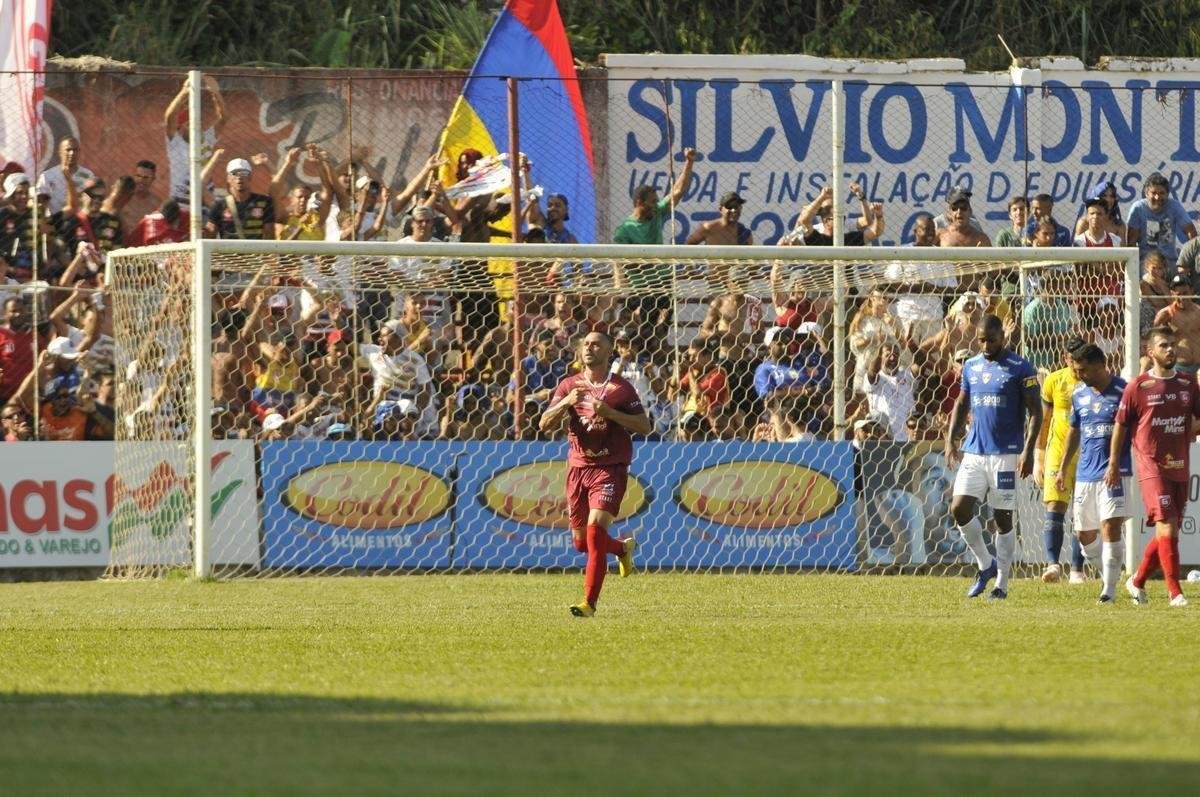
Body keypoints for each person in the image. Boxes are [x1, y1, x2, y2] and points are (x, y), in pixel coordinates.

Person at [539, 331, 650, 618]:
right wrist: (565, 404)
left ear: (609, 352)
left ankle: (589, 603)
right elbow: (543, 423)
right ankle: (622, 550)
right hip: (578, 468)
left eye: (596, 344)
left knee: (595, 529)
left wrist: (611, 413)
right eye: (585, 344)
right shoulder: (568, 385)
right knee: (581, 544)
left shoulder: (621, 389)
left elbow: (644, 426)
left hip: (610, 467)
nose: (589, 348)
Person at [944, 314, 1042, 600]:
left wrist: (1028, 450)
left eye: (992, 340)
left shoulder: (1021, 368)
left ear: (1003, 337)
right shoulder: (971, 366)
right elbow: (962, 403)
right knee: (959, 509)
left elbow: (1036, 411)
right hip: (974, 452)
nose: (986, 345)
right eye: (982, 340)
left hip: (1006, 455)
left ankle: (1002, 583)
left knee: (1003, 519)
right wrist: (951, 439)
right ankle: (985, 565)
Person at [1111, 326, 1200, 606]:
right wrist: (1114, 461)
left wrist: (1191, 430)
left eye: (1173, 344)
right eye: (1164, 345)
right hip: (1151, 466)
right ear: (1151, 352)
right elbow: (1121, 425)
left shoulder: (1188, 384)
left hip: (1180, 463)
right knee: (1167, 524)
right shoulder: (1138, 387)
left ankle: (1137, 581)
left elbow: (1197, 420)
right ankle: (1175, 592)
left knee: (1168, 530)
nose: (1170, 349)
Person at [1055, 344, 1131, 604]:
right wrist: (1063, 468)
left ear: (1101, 365)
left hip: (1116, 471)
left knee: (1110, 527)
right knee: (1084, 535)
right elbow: (1074, 431)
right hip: (1086, 473)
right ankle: (1112, 575)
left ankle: (1108, 592)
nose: (1079, 375)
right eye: (1076, 370)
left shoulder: (1124, 391)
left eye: (1083, 370)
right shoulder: (1079, 394)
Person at [1033, 336, 1089, 584]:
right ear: (1064, 358)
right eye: (1071, 357)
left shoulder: (1094, 380)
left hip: (1088, 451)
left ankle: (1077, 569)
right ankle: (1053, 565)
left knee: (1082, 511)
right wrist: (1039, 455)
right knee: (1055, 506)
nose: (1076, 362)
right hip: (1057, 451)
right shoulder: (1055, 380)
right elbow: (1044, 421)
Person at [1125, 171, 1196, 264]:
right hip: (1146, 263)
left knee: (1182, 277)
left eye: (1162, 193)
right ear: (1146, 194)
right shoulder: (1138, 208)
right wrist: (1133, 265)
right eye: (1153, 193)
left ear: (1167, 194)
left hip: (1169, 262)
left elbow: (1190, 231)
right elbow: (1131, 242)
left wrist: (1191, 258)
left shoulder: (1174, 206)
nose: (1157, 197)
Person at [204, 158, 275, 240]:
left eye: (244, 173)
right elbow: (210, 234)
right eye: (235, 173)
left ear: (250, 177)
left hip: (255, 251)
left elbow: (269, 233)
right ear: (228, 178)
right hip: (227, 252)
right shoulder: (219, 204)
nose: (239, 177)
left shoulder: (264, 202)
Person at [35, 137, 95, 215]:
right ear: (60, 152)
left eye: (75, 150)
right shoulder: (47, 176)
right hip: (55, 220)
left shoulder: (87, 175)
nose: (72, 153)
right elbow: (39, 202)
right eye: (68, 150)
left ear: (79, 152)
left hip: (80, 221)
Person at [1153, 275, 1200, 374]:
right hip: (1179, 366)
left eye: (1185, 293)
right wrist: (1159, 324)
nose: (1182, 297)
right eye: (1178, 294)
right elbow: (1155, 339)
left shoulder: (1198, 311)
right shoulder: (1166, 313)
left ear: (1191, 291)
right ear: (1172, 294)